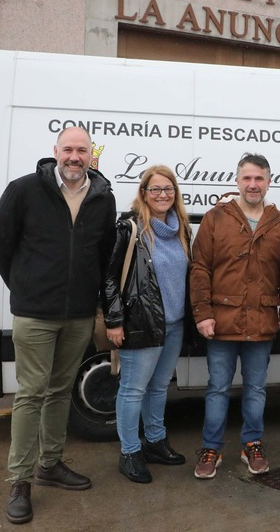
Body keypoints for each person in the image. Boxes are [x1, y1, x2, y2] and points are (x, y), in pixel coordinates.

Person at [0, 126, 117, 525]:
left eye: (82, 150)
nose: (74, 157)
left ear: (91, 155)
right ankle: (20, 481)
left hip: (77, 314)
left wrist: (92, 299)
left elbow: (104, 253)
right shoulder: (24, 189)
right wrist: (24, 285)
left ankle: (51, 464)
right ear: (54, 152)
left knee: (60, 391)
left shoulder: (102, 197)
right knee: (31, 394)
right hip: (35, 313)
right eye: (68, 149)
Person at [190, 153, 280, 479]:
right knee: (218, 387)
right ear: (237, 181)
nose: (252, 184)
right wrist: (202, 313)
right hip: (221, 321)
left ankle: (252, 444)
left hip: (261, 321)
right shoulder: (216, 218)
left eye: (259, 178)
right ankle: (211, 448)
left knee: (256, 388)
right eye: (247, 178)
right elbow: (200, 268)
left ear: (269, 182)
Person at [102, 165, 192, 484]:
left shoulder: (181, 228)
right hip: (141, 323)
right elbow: (110, 277)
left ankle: (155, 442)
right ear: (144, 193)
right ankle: (129, 452)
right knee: (132, 389)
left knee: (158, 387)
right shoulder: (130, 228)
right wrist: (114, 321)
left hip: (175, 324)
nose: (163, 195)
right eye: (155, 189)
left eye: (168, 189)